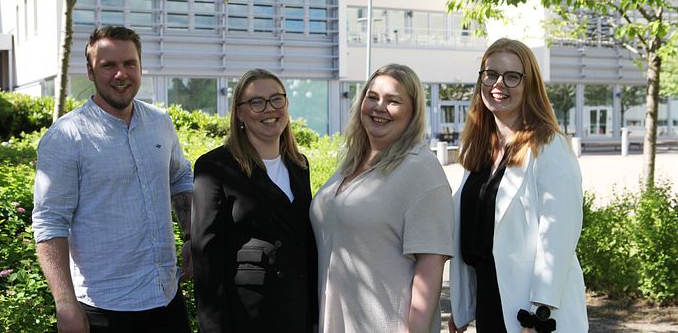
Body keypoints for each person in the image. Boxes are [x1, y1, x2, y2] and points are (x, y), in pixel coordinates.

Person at [32, 26, 194, 333]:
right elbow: (49, 223)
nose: (121, 74)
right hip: (105, 309)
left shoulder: (160, 123)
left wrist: (191, 236)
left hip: (166, 298)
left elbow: (180, 177)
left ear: (140, 67)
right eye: (109, 65)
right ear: (91, 71)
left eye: (129, 63)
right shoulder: (66, 136)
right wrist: (65, 304)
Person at [448, 38, 588, 333]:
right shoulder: (480, 150)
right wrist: (464, 307)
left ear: (530, 86)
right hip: (491, 302)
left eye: (512, 76)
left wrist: (539, 314)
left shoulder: (549, 146)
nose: (499, 84)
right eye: (491, 74)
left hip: (531, 313)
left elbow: (558, 237)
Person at [310, 63, 453, 333]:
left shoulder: (421, 169)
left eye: (393, 101)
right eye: (372, 97)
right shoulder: (351, 163)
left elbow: (431, 268)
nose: (379, 107)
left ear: (412, 112)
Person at [191, 68, 317, 333]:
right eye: (256, 102)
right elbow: (207, 257)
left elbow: (305, 244)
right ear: (239, 112)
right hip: (247, 316)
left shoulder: (299, 165)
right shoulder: (215, 167)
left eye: (276, 99)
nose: (269, 109)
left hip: (296, 311)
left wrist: (315, 316)